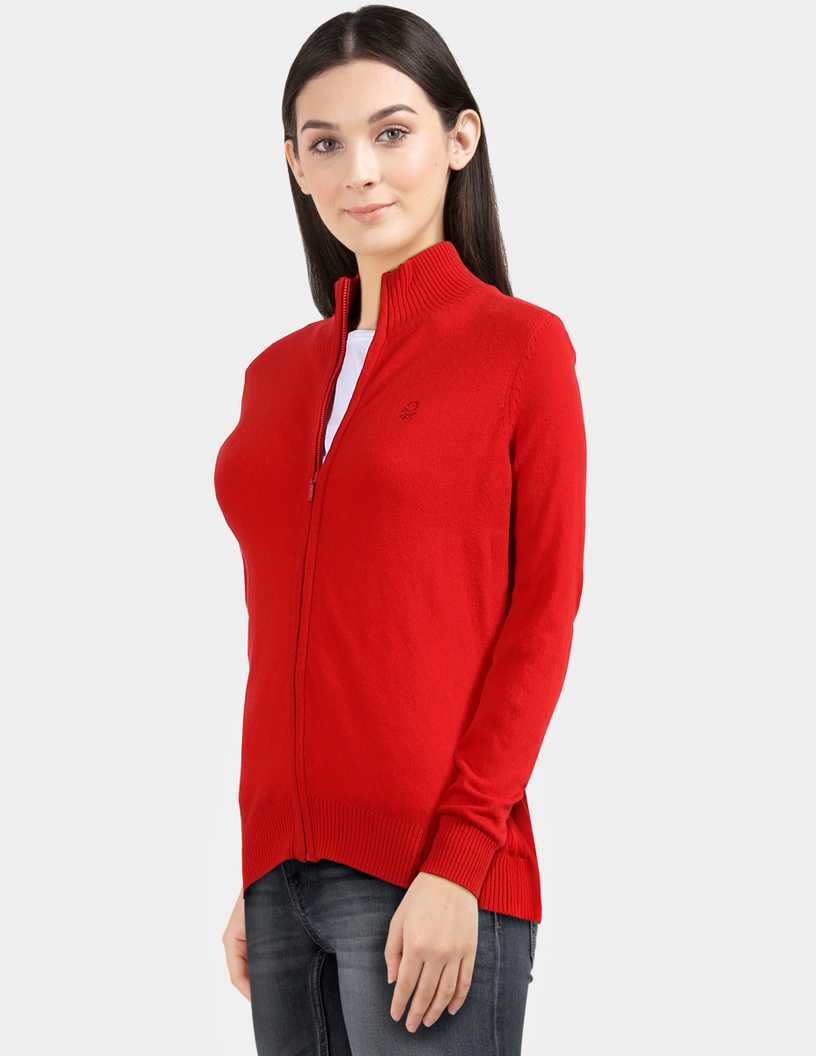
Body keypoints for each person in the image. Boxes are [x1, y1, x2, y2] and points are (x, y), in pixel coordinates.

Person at [213, 6, 587, 1053]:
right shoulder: (276, 377)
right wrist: (265, 861)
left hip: (431, 878)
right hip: (281, 880)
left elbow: (541, 616)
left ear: (459, 139)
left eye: (391, 132)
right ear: (294, 164)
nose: (361, 172)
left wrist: (459, 862)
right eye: (325, 143)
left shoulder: (518, 349)